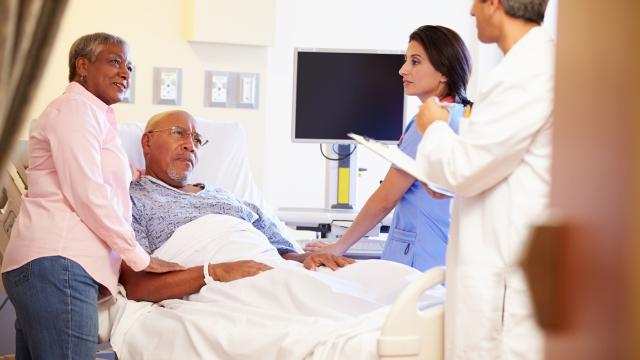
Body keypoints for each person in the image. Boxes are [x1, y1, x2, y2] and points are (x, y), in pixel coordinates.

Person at [0, 33, 182, 359]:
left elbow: (107, 174)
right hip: (60, 263)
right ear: (82, 66)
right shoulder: (74, 110)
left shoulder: (95, 116)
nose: (126, 72)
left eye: (129, 66)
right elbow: (88, 192)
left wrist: (144, 173)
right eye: (115, 62)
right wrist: (137, 257)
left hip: (50, 267)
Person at [414, 1, 554, 358]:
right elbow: (491, 169)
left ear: (494, 3)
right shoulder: (524, 68)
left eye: (476, 1)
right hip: (500, 262)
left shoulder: (529, 73)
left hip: (504, 282)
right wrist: (447, 183)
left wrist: (434, 127)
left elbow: (464, 168)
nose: (472, 11)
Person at [120, 110, 354, 302]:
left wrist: (307, 260)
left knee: (359, 287)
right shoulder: (132, 199)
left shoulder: (228, 198)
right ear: (147, 142)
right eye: (179, 133)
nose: (190, 145)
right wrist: (216, 271)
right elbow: (138, 287)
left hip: (269, 272)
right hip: (217, 286)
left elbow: (281, 255)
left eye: (196, 139)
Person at [304, 25, 472, 271]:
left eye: (415, 62)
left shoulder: (428, 123)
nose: (403, 70)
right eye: (405, 60)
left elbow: (386, 199)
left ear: (444, 72)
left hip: (418, 260)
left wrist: (338, 246)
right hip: (442, 257)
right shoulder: (462, 116)